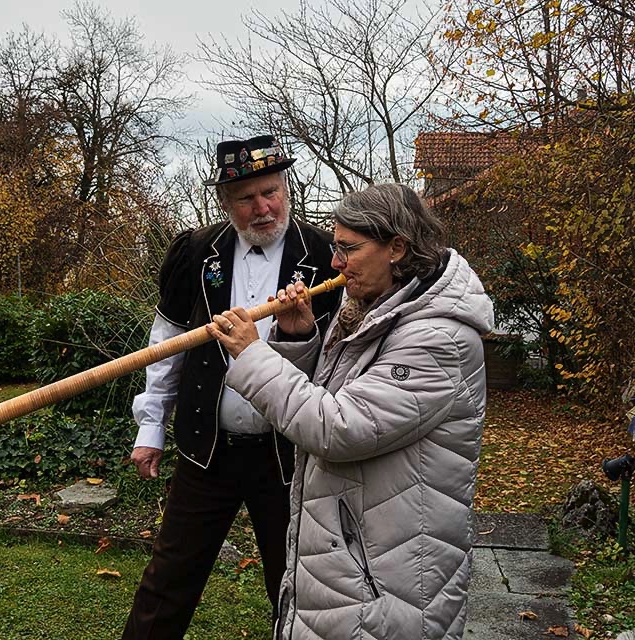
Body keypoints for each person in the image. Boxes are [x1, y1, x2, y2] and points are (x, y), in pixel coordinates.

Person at [208, 183, 495, 639]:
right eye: (336, 247)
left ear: (396, 248)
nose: (335, 263)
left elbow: (338, 427)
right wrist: (299, 339)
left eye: (348, 249)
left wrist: (252, 354)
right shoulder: (373, 310)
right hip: (354, 552)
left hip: (389, 576)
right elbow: (334, 395)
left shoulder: (438, 338)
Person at [122, 135, 342, 639]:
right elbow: (166, 345)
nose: (262, 208)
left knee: (295, 584)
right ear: (225, 201)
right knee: (167, 581)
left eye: (271, 192)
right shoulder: (196, 253)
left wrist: (301, 334)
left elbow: (342, 357)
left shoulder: (326, 257)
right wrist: (151, 428)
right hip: (207, 450)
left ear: (286, 188)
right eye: (246, 198)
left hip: (290, 457)